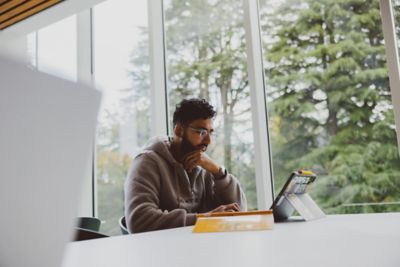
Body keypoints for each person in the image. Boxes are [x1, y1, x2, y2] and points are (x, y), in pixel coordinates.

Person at [124, 98, 247, 233]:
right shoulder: (147, 162)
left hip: (198, 247)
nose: (208, 141)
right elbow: (139, 221)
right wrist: (205, 218)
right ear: (178, 130)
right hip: (159, 250)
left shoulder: (203, 164)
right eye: (201, 132)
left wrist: (218, 172)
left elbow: (240, 210)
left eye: (210, 132)